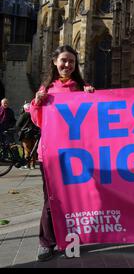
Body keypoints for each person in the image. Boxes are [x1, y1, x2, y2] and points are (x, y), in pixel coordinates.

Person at [29, 45, 95, 261]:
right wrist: (37, 103)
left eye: (72, 62)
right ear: (55, 62)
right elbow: (38, 121)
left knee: (74, 198)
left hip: (77, 155)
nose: (67, 65)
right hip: (49, 155)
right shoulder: (47, 88)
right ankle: (46, 242)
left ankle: (70, 240)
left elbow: (93, 121)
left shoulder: (82, 88)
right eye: (64, 61)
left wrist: (92, 97)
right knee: (51, 199)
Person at [15, 103, 39, 169]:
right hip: (34, 134)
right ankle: (33, 165)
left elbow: (18, 124)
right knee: (33, 150)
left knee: (27, 150)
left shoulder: (24, 115)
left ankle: (27, 165)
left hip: (26, 135)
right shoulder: (34, 114)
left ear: (25, 109)